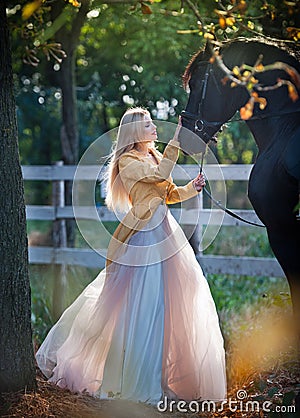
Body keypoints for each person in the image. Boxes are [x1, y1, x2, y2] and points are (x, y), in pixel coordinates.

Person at [36, 107, 226, 405]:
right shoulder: (128, 161)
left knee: (170, 301)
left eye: (153, 123)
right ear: (134, 132)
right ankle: (135, 380)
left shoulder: (152, 155)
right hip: (145, 234)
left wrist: (192, 188)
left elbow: (168, 192)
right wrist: (176, 139)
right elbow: (161, 174)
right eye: (148, 125)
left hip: (165, 231)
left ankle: (161, 377)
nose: (154, 128)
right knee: (147, 300)